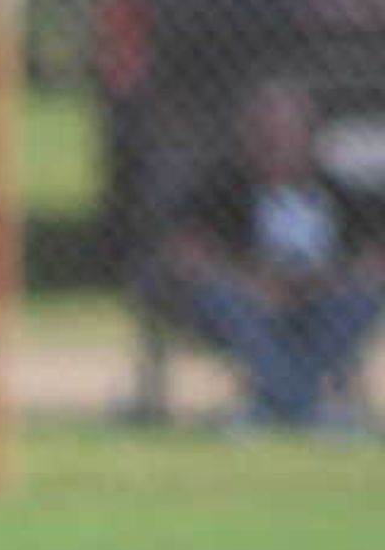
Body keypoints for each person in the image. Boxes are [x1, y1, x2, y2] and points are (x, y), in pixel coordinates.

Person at [151, 74, 385, 433]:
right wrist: (252, 285)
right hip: (247, 303)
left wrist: (321, 283)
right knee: (220, 298)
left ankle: (275, 405)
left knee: (362, 297)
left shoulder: (339, 192)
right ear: (246, 135)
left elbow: (372, 257)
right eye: (265, 131)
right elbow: (187, 254)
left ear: (309, 135)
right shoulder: (219, 190)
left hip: (324, 301)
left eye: (288, 131)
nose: (275, 142)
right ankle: (306, 409)